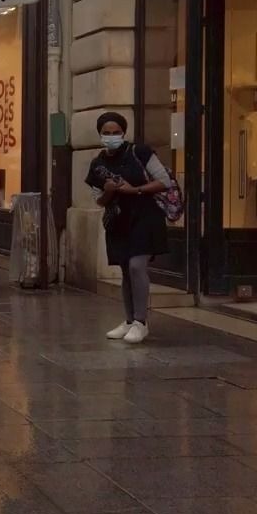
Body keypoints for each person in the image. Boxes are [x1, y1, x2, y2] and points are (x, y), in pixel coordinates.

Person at [86, 112, 171, 344]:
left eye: (116, 133)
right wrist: (110, 190)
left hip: (145, 217)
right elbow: (98, 199)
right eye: (106, 133)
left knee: (136, 266)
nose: (111, 137)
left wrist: (136, 190)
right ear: (100, 134)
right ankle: (129, 319)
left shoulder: (139, 153)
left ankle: (141, 322)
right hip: (118, 220)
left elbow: (164, 181)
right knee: (125, 270)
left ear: (123, 133)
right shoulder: (97, 164)